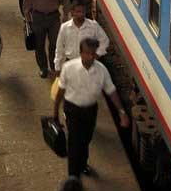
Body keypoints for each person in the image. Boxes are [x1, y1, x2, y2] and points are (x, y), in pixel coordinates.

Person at [52, 38, 129, 177]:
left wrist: (121, 111)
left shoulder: (102, 70)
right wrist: (55, 113)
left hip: (90, 111)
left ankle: (82, 163)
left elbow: (111, 90)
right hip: (72, 110)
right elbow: (60, 92)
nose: (90, 56)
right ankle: (73, 176)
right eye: (87, 53)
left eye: (93, 53)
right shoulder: (69, 68)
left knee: (86, 139)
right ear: (81, 53)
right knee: (75, 142)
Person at [23, 0, 70, 78]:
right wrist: (27, 18)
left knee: (54, 44)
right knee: (39, 45)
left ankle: (54, 67)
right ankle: (43, 68)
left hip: (53, 17)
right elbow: (27, 1)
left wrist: (65, 14)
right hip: (37, 17)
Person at [54, 1, 109, 71]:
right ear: (72, 12)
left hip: (89, 65)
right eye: (78, 12)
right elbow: (59, 48)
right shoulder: (64, 27)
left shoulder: (93, 26)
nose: (81, 14)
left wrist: (97, 54)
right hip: (71, 64)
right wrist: (57, 66)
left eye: (83, 11)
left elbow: (105, 41)